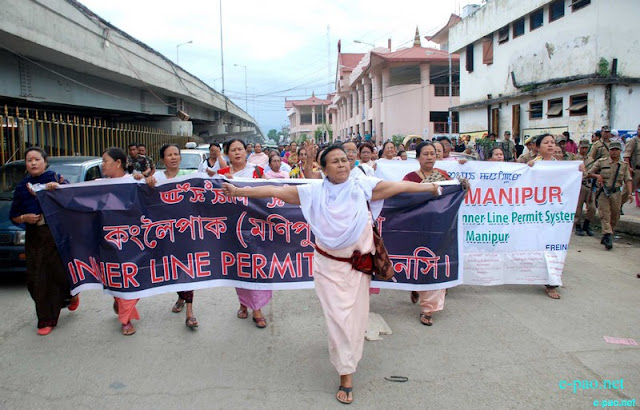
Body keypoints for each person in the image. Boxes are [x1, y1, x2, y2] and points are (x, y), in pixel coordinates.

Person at [221, 144, 442, 405]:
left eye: (344, 160)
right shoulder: (314, 192)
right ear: (323, 170)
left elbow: (401, 187)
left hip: (358, 267)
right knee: (338, 319)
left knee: (356, 320)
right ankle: (345, 374)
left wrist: (432, 187)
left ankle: (348, 354)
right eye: (334, 162)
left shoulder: (363, 187)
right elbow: (275, 191)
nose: (342, 164)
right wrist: (237, 191)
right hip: (328, 268)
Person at [9, 147, 78, 336]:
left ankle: (70, 295)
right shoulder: (22, 187)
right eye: (29, 160)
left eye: (36, 159)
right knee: (36, 279)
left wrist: (58, 191)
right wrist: (24, 218)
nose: (33, 163)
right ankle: (45, 319)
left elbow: (74, 199)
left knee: (59, 275)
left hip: (56, 235)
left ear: (45, 162)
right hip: (35, 238)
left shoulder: (56, 179)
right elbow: (14, 215)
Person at [217, 139, 270, 328]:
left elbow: (268, 192)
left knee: (256, 265)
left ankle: (257, 308)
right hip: (233, 227)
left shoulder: (257, 172)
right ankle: (243, 303)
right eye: (233, 150)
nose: (237, 153)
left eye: (240, 149)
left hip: (255, 226)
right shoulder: (221, 174)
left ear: (246, 151)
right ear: (227, 154)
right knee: (239, 266)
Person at [146, 144, 198, 329]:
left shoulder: (190, 176)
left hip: (187, 231)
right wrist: (145, 182)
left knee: (188, 268)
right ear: (162, 160)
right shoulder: (157, 178)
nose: (174, 157)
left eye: (176, 154)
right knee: (172, 269)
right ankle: (180, 296)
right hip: (165, 232)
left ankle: (190, 312)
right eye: (169, 155)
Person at [402, 142, 451, 326]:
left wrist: (462, 187)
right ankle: (415, 287)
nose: (430, 157)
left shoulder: (445, 177)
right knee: (418, 262)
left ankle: (428, 309)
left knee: (434, 263)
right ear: (418, 157)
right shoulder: (409, 178)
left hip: (438, 227)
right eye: (425, 154)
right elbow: (403, 197)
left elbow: (453, 196)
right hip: (417, 227)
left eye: (432, 154)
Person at [102, 147, 143, 335]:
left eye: (105, 161)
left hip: (134, 239)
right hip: (109, 240)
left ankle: (122, 301)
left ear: (118, 163)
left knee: (137, 277)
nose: (102, 165)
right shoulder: (98, 185)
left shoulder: (134, 182)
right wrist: (53, 188)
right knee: (120, 276)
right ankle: (126, 320)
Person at [587, 140, 632, 249]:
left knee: (615, 216)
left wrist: (630, 193)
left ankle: (607, 233)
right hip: (603, 192)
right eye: (612, 150)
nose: (614, 152)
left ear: (620, 151)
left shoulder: (623, 165)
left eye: (616, 150)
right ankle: (607, 235)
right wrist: (597, 176)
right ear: (609, 151)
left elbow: (628, 179)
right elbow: (589, 173)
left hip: (616, 193)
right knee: (604, 214)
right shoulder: (601, 162)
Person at [574, 140, 596, 236]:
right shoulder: (574, 159)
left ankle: (587, 224)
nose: (584, 149)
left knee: (592, 207)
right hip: (579, 185)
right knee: (578, 208)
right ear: (579, 147)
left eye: (586, 148)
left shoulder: (591, 159)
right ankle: (578, 226)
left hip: (589, 185)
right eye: (582, 147)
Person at [622, 124, 640, 207]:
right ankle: (619, 205)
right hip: (635, 170)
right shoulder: (633, 141)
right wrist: (629, 167)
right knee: (628, 191)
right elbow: (626, 156)